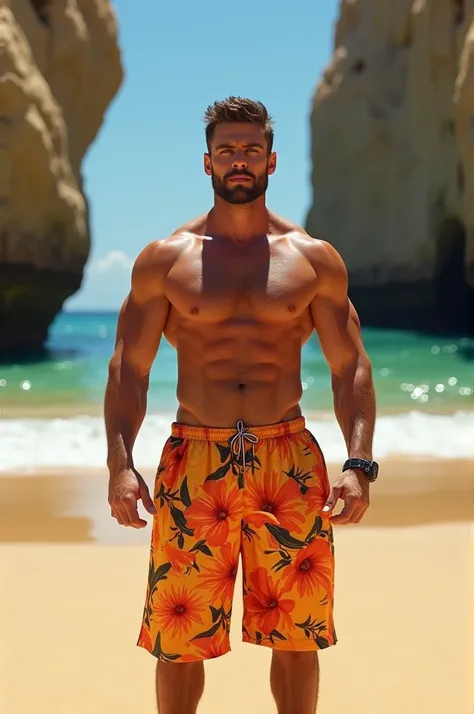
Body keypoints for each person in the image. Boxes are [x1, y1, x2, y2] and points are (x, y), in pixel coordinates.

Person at [104, 96, 377, 714]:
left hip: (289, 459)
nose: (239, 160)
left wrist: (359, 463)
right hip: (194, 459)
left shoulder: (312, 260)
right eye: (227, 149)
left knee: (298, 632)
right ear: (207, 162)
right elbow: (130, 368)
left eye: (251, 149)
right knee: (180, 639)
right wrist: (121, 465)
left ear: (271, 161)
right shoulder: (165, 261)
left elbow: (349, 365)